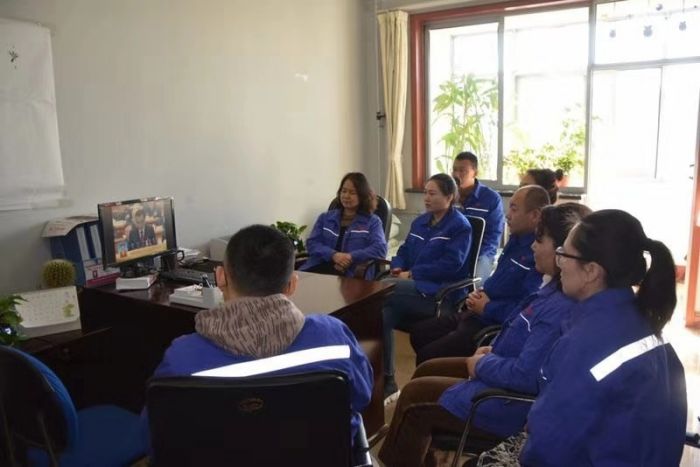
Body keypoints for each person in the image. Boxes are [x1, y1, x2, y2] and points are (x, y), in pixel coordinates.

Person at [377, 203, 592, 467]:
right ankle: (422, 454)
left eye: (539, 240)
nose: (533, 246)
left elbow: (526, 376)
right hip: (498, 368)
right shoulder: (551, 289)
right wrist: (492, 351)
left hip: (506, 401)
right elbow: (522, 338)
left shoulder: (560, 307)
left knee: (414, 397)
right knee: (426, 369)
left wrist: (483, 363)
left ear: (562, 252)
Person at [480, 209, 687, 466]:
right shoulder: (640, 324)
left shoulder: (588, 343)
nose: (559, 263)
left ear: (591, 271)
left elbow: (550, 445)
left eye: (564, 254)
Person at [143, 225, 373, 442]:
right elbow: (362, 396)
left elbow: (155, 434)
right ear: (292, 284)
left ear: (220, 277)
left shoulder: (181, 358)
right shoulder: (334, 337)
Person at [410, 185, 550, 364]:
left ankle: (443, 376)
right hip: (478, 311)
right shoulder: (515, 240)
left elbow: (525, 309)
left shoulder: (539, 255)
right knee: (419, 332)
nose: (507, 215)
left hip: (492, 322)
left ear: (535, 215)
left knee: (428, 356)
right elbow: (499, 279)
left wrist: (487, 307)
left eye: (514, 209)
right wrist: (481, 292)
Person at [382, 173, 472, 400]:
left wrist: (413, 273)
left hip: (438, 293)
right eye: (425, 193)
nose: (426, 198)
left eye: (432, 193)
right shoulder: (420, 222)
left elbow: (451, 265)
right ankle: (388, 380)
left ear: (449, 197)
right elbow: (404, 250)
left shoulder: (459, 227)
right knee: (383, 312)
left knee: (382, 289)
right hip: (410, 287)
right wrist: (397, 266)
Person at [300, 172, 387, 278]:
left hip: (352, 272)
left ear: (362, 196)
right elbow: (312, 243)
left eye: (352, 193)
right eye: (344, 191)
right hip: (319, 266)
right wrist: (333, 255)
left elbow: (380, 249)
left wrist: (350, 257)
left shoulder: (372, 222)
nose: (346, 196)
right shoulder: (325, 218)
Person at [452, 152, 505, 281]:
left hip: (481, 253)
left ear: (475, 173)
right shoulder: (448, 196)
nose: (456, 175)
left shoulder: (491, 198)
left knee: (476, 284)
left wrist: (473, 255)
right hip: (452, 250)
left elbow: (493, 236)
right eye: (454, 170)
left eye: (462, 171)